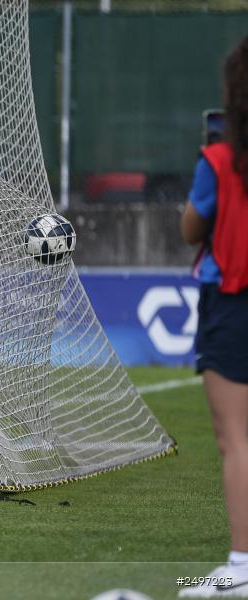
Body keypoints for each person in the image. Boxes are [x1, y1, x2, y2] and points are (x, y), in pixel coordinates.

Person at [179, 36, 248, 598]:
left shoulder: (221, 160)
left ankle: (242, 567)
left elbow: (190, 230)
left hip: (235, 300)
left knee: (237, 439)